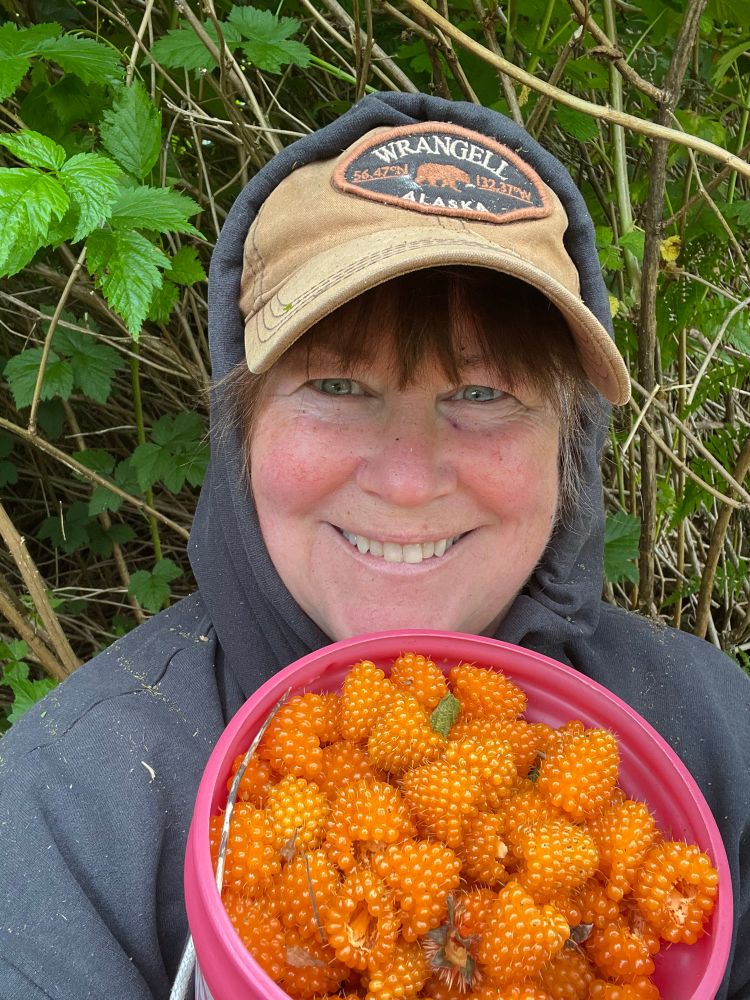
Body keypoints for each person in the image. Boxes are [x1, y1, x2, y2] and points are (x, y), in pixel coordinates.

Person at [0, 92, 747, 1000]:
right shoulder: (65, 816)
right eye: (340, 385)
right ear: (241, 432)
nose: (405, 480)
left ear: (571, 446)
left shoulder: (720, 741)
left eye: (483, 395)